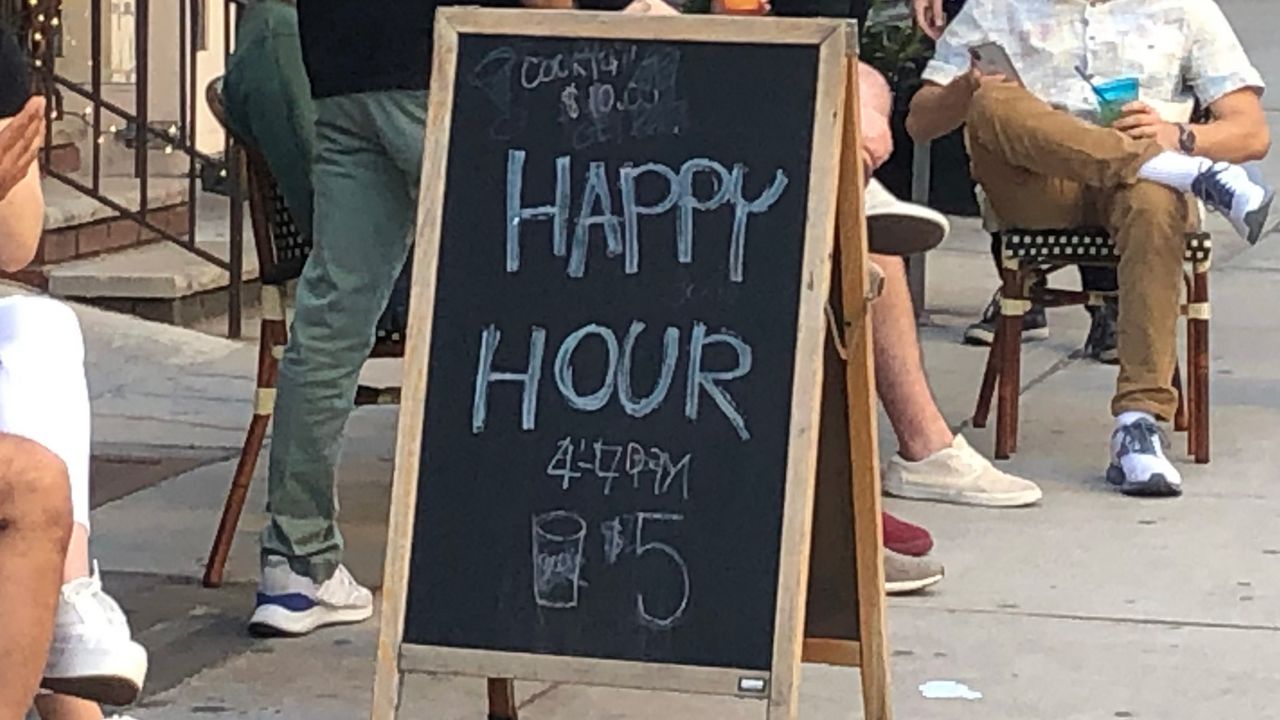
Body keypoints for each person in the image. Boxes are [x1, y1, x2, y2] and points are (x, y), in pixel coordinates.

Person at [251, 0, 581, 638]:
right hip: (448, 57)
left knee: (330, 322)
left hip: (341, 66)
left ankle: (296, 564)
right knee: (525, 298)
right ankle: (526, 555)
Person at [908, 0, 1272, 497]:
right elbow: (920, 123)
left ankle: (1139, 425)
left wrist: (1178, 135)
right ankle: (1173, 170)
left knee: (1154, 203)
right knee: (991, 101)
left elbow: (1251, 132)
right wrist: (965, 88)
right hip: (1037, 189)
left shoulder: (1184, 8)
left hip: (1135, 194)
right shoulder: (995, 7)